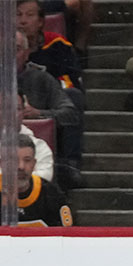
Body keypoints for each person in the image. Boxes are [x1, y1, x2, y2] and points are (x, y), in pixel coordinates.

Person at [16, 29, 80, 190]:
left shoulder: (41, 79)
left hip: (31, 150)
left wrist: (39, 114)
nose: (7, 54)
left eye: (15, 49)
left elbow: (70, 113)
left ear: (26, 53)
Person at [5, 133, 73, 227]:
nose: (21, 166)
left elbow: (66, 236)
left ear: (34, 164)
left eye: (27, 160)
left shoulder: (52, 195)